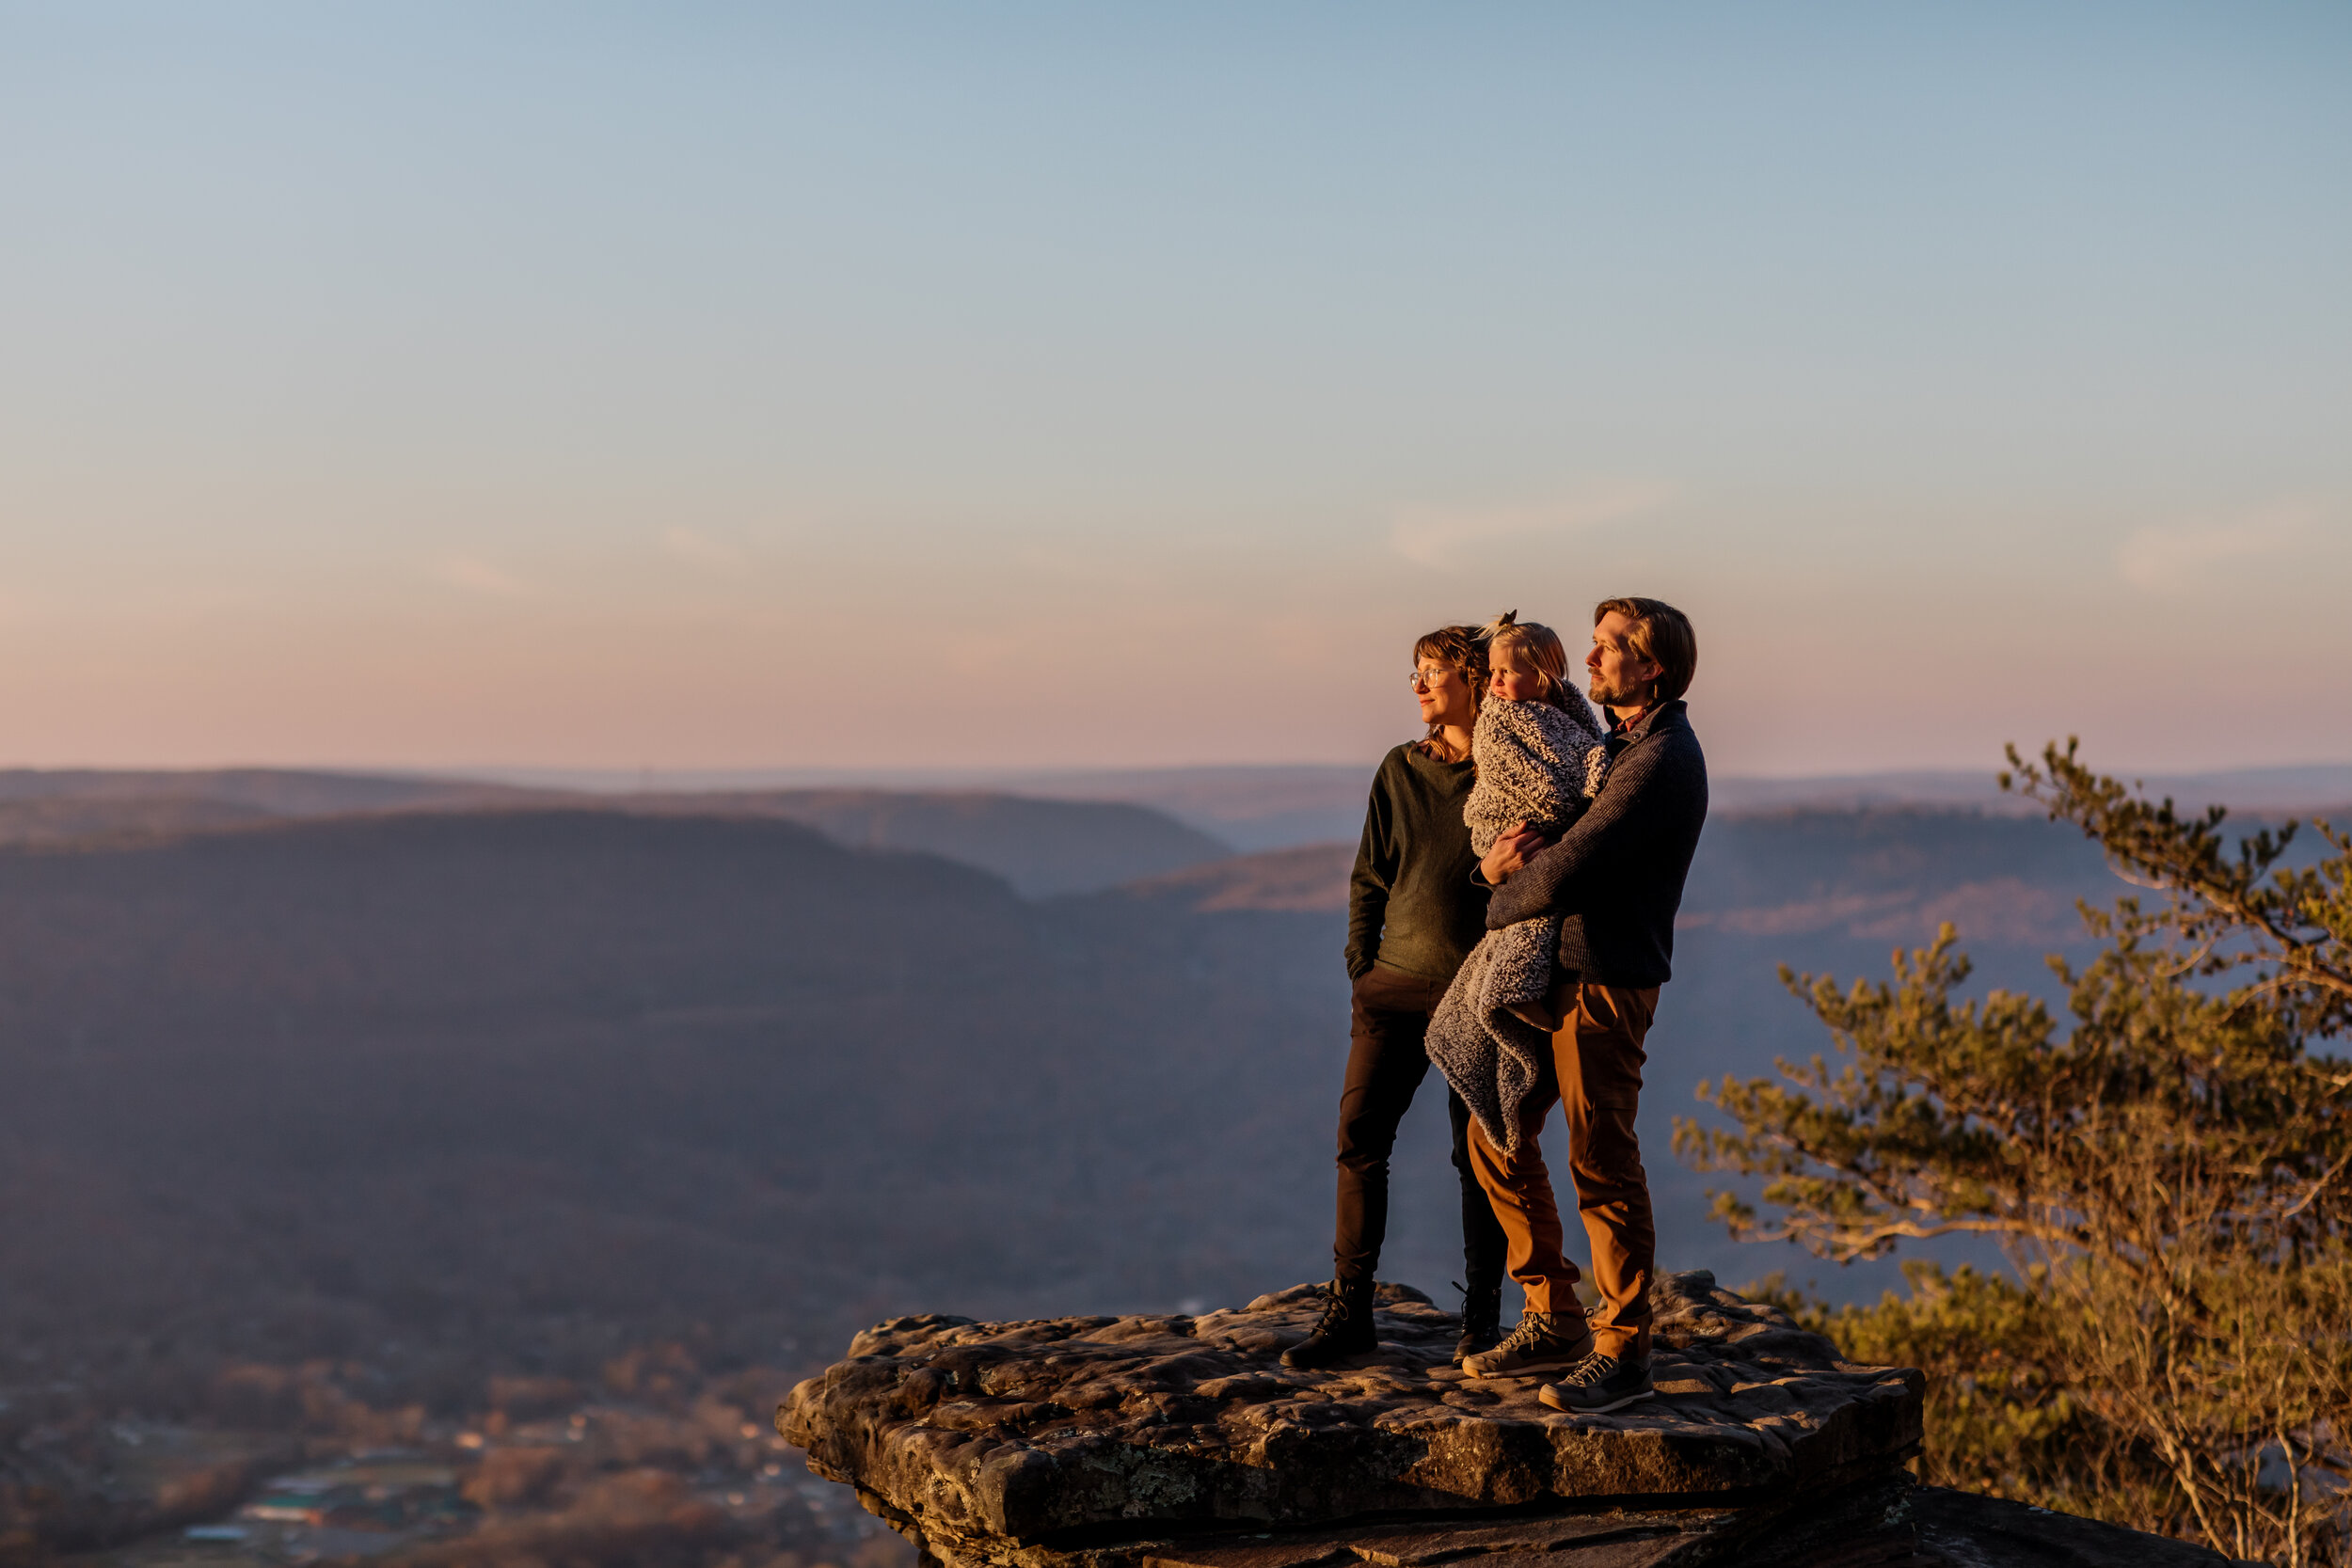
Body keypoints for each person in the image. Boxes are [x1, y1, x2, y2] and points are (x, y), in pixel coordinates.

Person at [1455, 597, 1706, 1418]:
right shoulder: (1616, 744)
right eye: (1593, 647)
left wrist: (1493, 892)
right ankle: (1553, 1312)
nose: (1591, 660)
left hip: (1608, 979)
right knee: (1493, 1126)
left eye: (1607, 648)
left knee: (1600, 1152)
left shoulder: (1662, 756)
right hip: (1559, 973)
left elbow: (1573, 864)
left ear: (1653, 665)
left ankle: (1623, 1347)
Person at [1281, 625, 1511, 1370]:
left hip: (1475, 995)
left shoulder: (1508, 776)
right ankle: (1350, 1311)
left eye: (1432, 672)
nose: (1417, 686)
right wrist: (1363, 966)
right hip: (1391, 989)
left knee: (1475, 1155)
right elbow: (1369, 874)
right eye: (1412, 672)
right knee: (1359, 1140)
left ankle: (1483, 1319)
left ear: (1472, 680)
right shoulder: (1399, 769)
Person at [1423, 613, 1609, 1169]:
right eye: (1494, 672)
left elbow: (1582, 751)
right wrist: (1575, 797)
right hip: (1507, 826)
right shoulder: (1499, 721)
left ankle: (1511, 994)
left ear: (1545, 676)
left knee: (1533, 917)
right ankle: (1509, 996)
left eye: (1509, 673)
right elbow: (1540, 788)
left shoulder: (1564, 712)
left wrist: (1593, 771)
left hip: (1538, 849)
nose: (1496, 684)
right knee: (1523, 919)